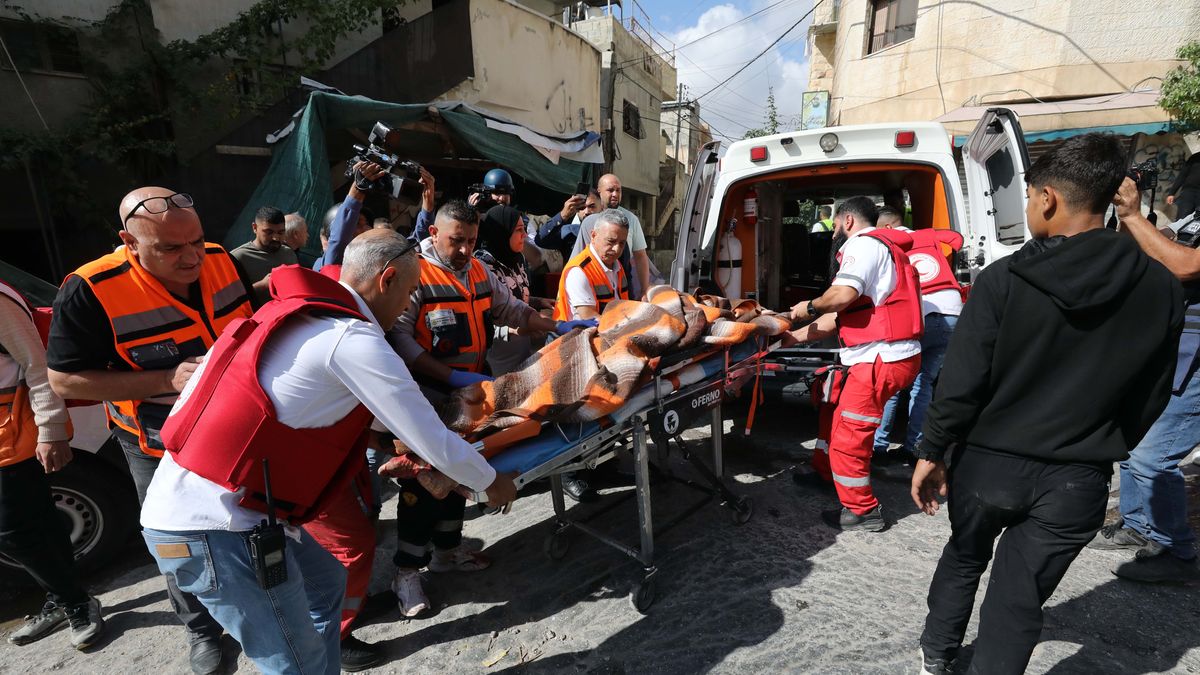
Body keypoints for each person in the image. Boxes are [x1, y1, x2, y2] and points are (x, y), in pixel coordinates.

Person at [139, 230, 518, 675]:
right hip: (213, 528)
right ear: (388, 278)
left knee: (326, 587)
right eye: (411, 292)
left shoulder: (300, 315)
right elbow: (431, 438)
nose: (406, 308)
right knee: (293, 660)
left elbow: (334, 411)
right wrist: (492, 483)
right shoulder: (350, 338)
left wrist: (387, 444)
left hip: (229, 510)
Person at [910, 133, 1183, 675]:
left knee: (965, 556)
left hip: (989, 465)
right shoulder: (1160, 287)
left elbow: (961, 383)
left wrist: (933, 449)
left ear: (1048, 199)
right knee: (1018, 598)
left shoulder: (1002, 280)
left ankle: (937, 656)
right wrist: (1103, 441)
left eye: (1031, 195)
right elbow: (1153, 391)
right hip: (1078, 478)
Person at [45, 187, 253, 674]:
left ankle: (266, 608)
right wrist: (166, 378)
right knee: (176, 542)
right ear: (129, 241)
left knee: (254, 521)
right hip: (157, 446)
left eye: (197, 242)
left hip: (238, 429)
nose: (191, 258)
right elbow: (64, 378)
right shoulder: (90, 288)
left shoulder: (222, 260)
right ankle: (202, 632)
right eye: (170, 248)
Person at [387, 200, 590, 617]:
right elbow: (402, 341)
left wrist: (556, 326)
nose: (464, 250)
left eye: (471, 241)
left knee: (460, 474)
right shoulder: (417, 274)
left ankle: (447, 552)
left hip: (472, 395)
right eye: (455, 241)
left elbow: (510, 309)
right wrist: (448, 377)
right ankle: (406, 572)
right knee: (421, 484)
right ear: (434, 235)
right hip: (424, 396)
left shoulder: (479, 271)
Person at [1087, 172, 1200, 584]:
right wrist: (1124, 216)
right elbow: (1144, 248)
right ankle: (1137, 525)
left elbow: (1186, 266)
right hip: (1170, 350)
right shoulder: (1192, 220)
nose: (1180, 192)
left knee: (1155, 456)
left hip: (1196, 360)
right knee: (1133, 441)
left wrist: (1134, 214)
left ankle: (1176, 551)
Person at [785, 196, 922, 533]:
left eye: (834, 225)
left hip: (879, 359)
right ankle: (825, 472)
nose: (834, 233)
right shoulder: (882, 249)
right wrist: (791, 339)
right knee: (831, 412)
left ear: (847, 221)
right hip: (879, 354)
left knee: (849, 435)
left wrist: (809, 306)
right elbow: (841, 317)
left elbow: (840, 297)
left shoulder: (862, 246)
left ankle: (864, 510)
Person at [0, 279, 104, 650]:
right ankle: (65, 598)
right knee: (39, 520)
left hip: (11, 433)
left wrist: (51, 429)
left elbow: (36, 363)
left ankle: (74, 602)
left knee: (12, 531)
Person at [872, 206, 965, 479]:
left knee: (894, 383)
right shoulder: (929, 236)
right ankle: (913, 448)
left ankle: (878, 448)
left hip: (920, 317)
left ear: (888, 228)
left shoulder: (889, 242)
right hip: (953, 313)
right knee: (924, 385)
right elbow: (957, 239)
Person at [477, 205, 555, 375]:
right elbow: (480, 321)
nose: (525, 235)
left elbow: (514, 295)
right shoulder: (482, 268)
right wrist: (514, 331)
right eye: (519, 230)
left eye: (524, 229)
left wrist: (538, 301)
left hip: (522, 355)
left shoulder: (517, 258)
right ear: (503, 232)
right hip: (496, 364)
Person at [569, 174, 651, 299]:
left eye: (618, 190)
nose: (615, 194)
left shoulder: (631, 219)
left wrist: (645, 289)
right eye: (610, 190)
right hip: (594, 284)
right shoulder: (587, 219)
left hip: (621, 283)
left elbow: (640, 256)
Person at [555, 208, 630, 321]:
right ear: (593, 236)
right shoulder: (579, 271)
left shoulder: (616, 265)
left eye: (622, 243)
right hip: (577, 337)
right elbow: (590, 318)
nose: (617, 249)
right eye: (611, 241)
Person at [231, 206, 298, 305]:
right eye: (269, 232)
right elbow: (227, 298)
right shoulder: (237, 257)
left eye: (281, 232)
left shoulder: (289, 254)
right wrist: (262, 285)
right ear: (255, 228)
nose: (276, 238)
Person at [536, 188, 600, 261]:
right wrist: (563, 215)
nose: (586, 211)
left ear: (601, 207)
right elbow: (540, 240)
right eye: (581, 207)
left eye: (592, 206)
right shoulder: (570, 232)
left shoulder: (611, 232)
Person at [1165, 151, 1200, 220]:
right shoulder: (1195, 157)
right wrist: (1172, 193)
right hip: (1189, 192)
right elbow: (1182, 175)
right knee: (1182, 217)